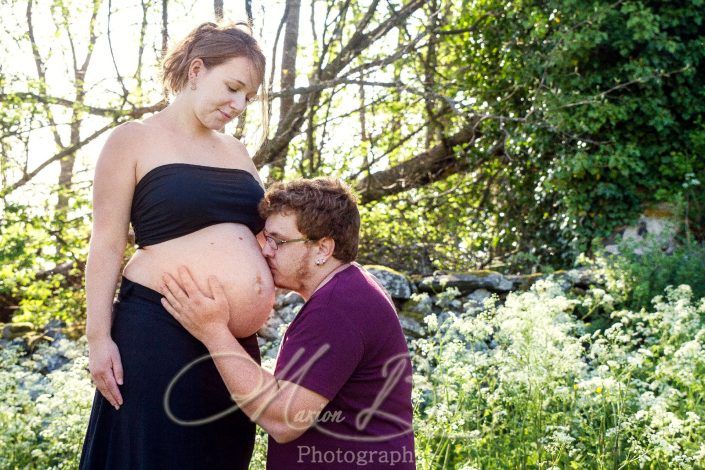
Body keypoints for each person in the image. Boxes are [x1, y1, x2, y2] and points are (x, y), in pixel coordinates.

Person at [80, 22, 275, 469]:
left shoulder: (238, 153)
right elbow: (107, 243)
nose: (239, 105)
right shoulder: (133, 138)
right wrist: (98, 337)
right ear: (196, 69)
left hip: (230, 343)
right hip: (157, 329)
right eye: (232, 87)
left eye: (248, 96)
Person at [160, 177, 416, 469]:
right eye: (265, 239)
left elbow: (283, 420)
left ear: (323, 249)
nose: (266, 251)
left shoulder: (337, 308)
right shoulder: (350, 292)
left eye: (278, 241)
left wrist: (213, 331)